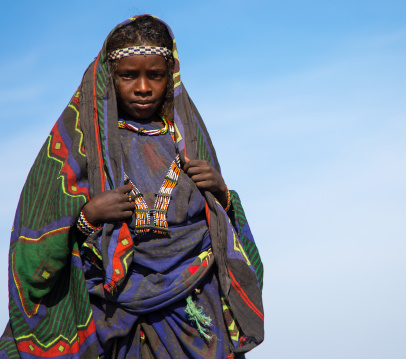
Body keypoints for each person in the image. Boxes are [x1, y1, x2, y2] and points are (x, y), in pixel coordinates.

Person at [0, 15, 264, 359]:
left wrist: (223, 195)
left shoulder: (188, 141)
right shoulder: (77, 146)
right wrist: (88, 216)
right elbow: (31, 254)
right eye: (129, 75)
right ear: (110, 77)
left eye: (155, 75)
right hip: (111, 323)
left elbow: (227, 243)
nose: (143, 87)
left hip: (198, 321)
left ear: (169, 78)